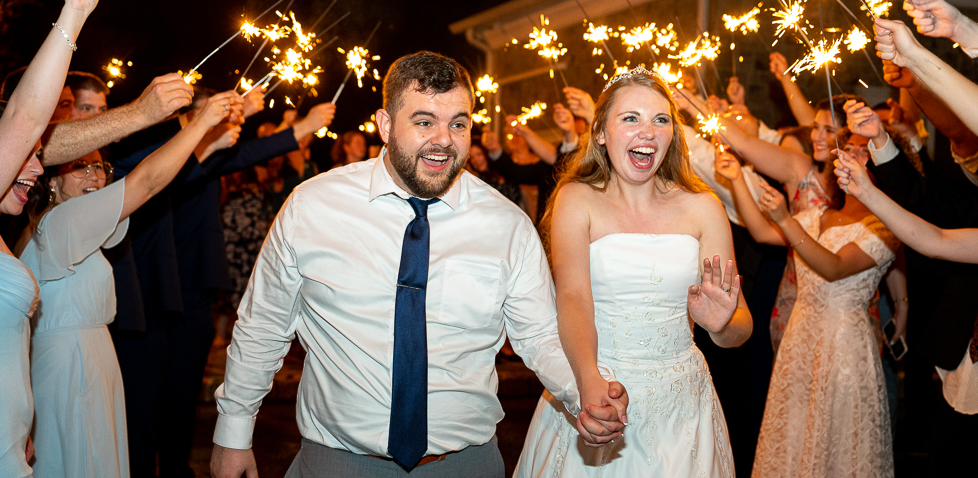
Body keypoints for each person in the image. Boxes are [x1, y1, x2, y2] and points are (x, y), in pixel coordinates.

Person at [210, 51, 627, 478]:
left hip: (465, 465)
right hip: (336, 463)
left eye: (459, 124)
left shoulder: (506, 225)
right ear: (385, 125)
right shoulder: (313, 207)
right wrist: (232, 434)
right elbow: (262, 326)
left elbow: (540, 335)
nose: (444, 140)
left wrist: (586, 393)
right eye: (424, 121)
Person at [515, 67, 752, 477]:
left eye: (661, 120)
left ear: (673, 134)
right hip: (597, 380)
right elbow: (572, 297)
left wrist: (720, 323)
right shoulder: (576, 198)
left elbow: (740, 327)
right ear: (601, 133)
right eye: (631, 118)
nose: (648, 131)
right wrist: (589, 385)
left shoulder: (704, 207)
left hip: (684, 406)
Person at [20, 91, 237, 478]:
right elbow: (147, 182)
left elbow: (152, 184)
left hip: (94, 358)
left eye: (98, 167)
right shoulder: (60, 224)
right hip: (70, 366)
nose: (94, 175)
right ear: (51, 182)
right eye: (79, 167)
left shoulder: (81, 226)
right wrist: (200, 123)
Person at [716, 133, 901, 475]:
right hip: (800, 339)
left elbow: (835, 267)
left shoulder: (885, 229)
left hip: (843, 346)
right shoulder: (817, 215)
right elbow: (760, 231)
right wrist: (736, 178)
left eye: (863, 153)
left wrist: (786, 220)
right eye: (849, 151)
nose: (850, 157)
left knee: (836, 444)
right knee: (793, 438)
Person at [0, 1, 99, 476]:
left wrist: (21, 426)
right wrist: (76, 11)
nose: (38, 169)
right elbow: (23, 116)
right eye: (27, 155)